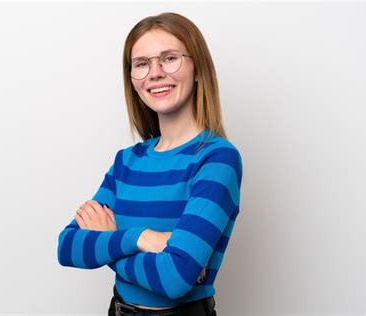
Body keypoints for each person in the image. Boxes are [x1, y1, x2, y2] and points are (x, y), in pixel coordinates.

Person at [57, 12, 243, 316]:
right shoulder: (126, 162)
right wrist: (144, 239)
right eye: (142, 64)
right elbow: (67, 246)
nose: (155, 73)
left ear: (198, 69)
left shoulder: (217, 159)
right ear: (132, 79)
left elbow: (175, 279)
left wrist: (108, 240)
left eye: (169, 58)